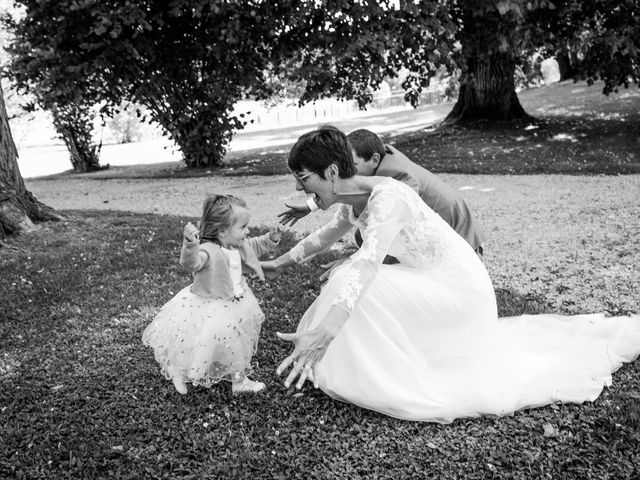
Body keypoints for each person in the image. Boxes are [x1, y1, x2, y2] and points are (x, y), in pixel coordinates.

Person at [262, 125, 640, 423]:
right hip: (428, 284)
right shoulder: (351, 196)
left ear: (331, 171)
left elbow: (368, 262)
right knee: (345, 277)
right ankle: (355, 361)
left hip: (462, 296)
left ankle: (379, 373)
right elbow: (327, 234)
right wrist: (278, 263)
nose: (300, 187)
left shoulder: (387, 196)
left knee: (350, 277)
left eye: (303, 177)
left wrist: (329, 327)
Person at [142, 194, 282, 395]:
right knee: (198, 344)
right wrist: (191, 245)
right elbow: (192, 263)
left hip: (236, 302)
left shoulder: (238, 245)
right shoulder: (208, 250)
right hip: (211, 306)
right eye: (243, 227)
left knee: (234, 344)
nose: (248, 231)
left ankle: (238, 381)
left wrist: (271, 239)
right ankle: (177, 370)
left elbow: (256, 246)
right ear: (223, 231)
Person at [278, 128, 485, 254]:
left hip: (460, 234)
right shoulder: (376, 164)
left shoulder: (399, 179)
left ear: (374, 160)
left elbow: (397, 227)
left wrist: (354, 261)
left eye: (353, 164)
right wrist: (311, 205)